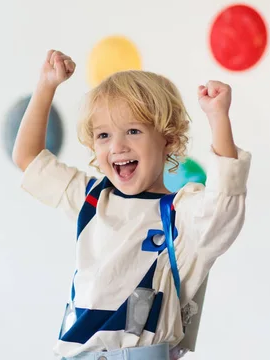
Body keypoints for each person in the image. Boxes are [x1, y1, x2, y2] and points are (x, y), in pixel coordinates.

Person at [13, 49, 251, 360]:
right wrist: (46, 86)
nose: (117, 146)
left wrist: (219, 118)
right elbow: (29, 159)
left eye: (134, 131)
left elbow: (224, 204)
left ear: (167, 138)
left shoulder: (182, 215)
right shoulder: (92, 199)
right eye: (103, 135)